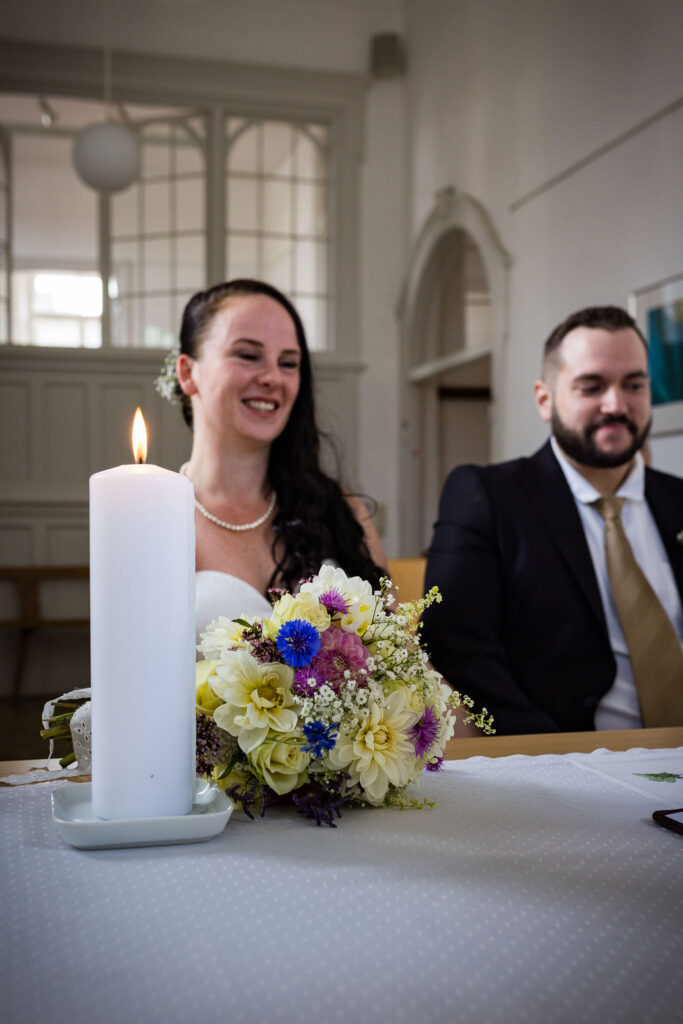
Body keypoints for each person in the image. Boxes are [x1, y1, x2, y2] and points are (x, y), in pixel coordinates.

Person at [421, 305, 683, 735]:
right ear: (545, 399)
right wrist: (562, 763)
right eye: (591, 386)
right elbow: (457, 649)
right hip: (569, 767)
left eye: (633, 384)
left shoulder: (677, 500)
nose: (616, 404)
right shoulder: (487, 496)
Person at [165, 278, 387, 637]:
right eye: (248, 355)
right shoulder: (158, 520)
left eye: (288, 363)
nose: (272, 377)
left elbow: (401, 657)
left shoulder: (340, 510)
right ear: (188, 372)